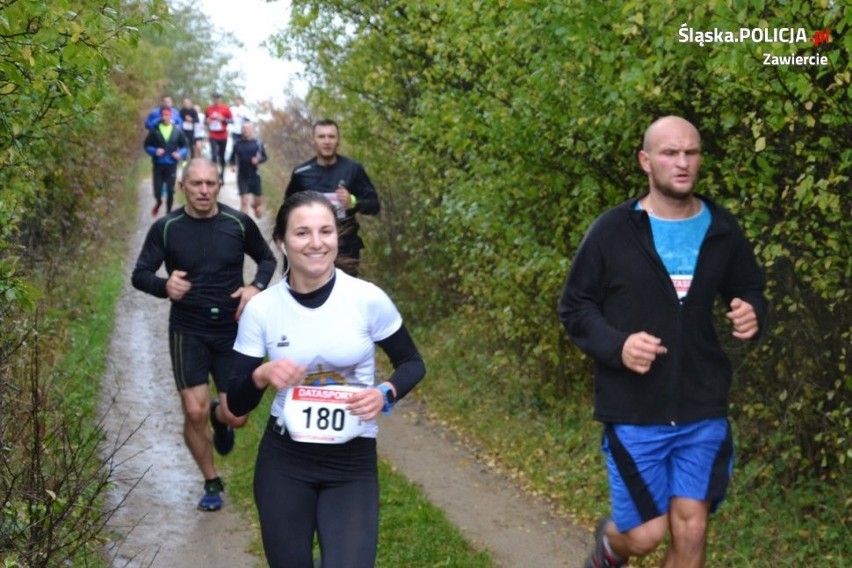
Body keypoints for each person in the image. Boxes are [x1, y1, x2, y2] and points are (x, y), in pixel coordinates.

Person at [558, 116, 768, 568]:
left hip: (702, 404)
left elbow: (749, 288)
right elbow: (574, 307)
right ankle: (612, 547)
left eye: (691, 153)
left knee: (691, 529)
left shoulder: (722, 228)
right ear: (645, 161)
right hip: (634, 409)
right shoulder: (613, 230)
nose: (682, 162)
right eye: (670, 153)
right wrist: (619, 346)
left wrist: (752, 311)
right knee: (646, 535)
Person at [227, 190, 426, 567]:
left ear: (338, 236)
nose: (316, 243)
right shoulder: (263, 309)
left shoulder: (366, 299)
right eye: (302, 233)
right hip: (285, 461)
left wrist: (385, 391)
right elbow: (236, 403)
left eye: (326, 231)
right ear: (282, 241)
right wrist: (261, 373)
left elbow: (412, 363)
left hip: (351, 463)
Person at [131, 158, 277, 512]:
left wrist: (254, 288)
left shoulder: (238, 223)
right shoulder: (166, 228)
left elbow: (268, 260)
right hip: (188, 329)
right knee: (192, 411)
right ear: (182, 187)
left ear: (217, 185)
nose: (204, 190)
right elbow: (139, 274)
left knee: (237, 417)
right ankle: (211, 480)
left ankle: (219, 414)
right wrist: (165, 286)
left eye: (210, 183)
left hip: (232, 329)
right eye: (196, 184)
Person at [285, 119, 380, 275]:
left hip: (345, 246)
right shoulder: (301, 173)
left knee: (345, 296)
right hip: (312, 246)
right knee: (312, 295)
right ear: (313, 141)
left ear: (338, 141)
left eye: (331, 137)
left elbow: (374, 205)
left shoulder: (353, 169)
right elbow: (287, 212)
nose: (327, 141)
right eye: (321, 137)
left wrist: (353, 201)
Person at [143, 106, 188, 216]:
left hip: (171, 164)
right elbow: (146, 145)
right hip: (158, 164)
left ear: (171, 116)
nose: (165, 117)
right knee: (157, 192)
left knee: (170, 191)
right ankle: (158, 202)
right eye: (163, 115)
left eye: (167, 115)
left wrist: (180, 154)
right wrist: (154, 151)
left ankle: (168, 213)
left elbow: (185, 146)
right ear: (161, 116)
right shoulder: (155, 130)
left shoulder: (177, 131)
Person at [230, 122, 268, 217]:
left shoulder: (257, 143)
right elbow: (232, 157)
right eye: (243, 128)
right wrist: (233, 165)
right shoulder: (237, 143)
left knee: (258, 204)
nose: (245, 130)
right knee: (244, 200)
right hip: (242, 175)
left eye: (247, 128)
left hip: (255, 175)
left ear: (251, 130)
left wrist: (258, 160)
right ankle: (243, 225)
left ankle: (255, 206)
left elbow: (265, 157)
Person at [205, 93, 232, 184]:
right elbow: (205, 120)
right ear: (213, 99)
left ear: (220, 99)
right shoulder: (209, 109)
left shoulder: (225, 108)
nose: (216, 100)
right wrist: (207, 121)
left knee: (221, 156)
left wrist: (223, 119)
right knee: (213, 156)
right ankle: (213, 176)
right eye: (215, 98)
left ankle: (222, 176)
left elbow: (231, 120)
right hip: (213, 135)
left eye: (218, 98)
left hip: (223, 135)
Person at [227, 95, 253, 164]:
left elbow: (248, 119)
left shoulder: (245, 109)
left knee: (242, 145)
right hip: (234, 130)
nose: (237, 101)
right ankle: (233, 161)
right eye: (236, 100)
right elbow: (229, 119)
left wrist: (242, 117)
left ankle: (242, 159)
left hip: (242, 130)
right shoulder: (232, 109)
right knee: (235, 145)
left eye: (238, 100)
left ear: (241, 101)